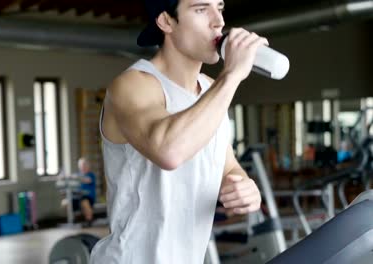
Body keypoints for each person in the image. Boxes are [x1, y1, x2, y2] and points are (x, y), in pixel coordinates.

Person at [91, 0, 264, 263]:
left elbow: (227, 165)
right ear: (166, 21)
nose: (218, 21)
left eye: (220, 7)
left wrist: (243, 185)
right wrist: (232, 76)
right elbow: (169, 151)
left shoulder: (210, 89)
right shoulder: (132, 85)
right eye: (201, 9)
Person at [75, 157, 96, 226]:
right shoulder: (78, 175)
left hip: (88, 197)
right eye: (81, 165)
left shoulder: (91, 175)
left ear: (88, 166)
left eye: (84, 165)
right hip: (78, 196)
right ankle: (74, 220)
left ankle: (89, 220)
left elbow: (87, 180)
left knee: (85, 202)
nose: (82, 167)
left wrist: (76, 178)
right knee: (66, 203)